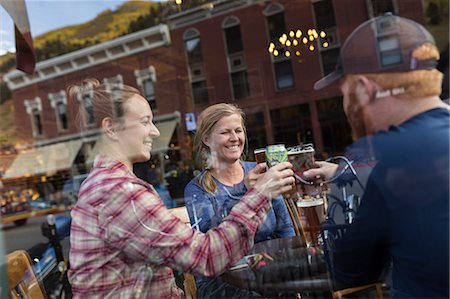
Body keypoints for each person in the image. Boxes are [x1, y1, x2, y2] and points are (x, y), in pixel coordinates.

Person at [67, 79, 295, 298]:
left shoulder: (104, 184)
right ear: (111, 128)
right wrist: (260, 194)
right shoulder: (121, 193)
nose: (155, 132)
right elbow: (207, 256)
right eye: (145, 122)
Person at [305, 14, 449, 298]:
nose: (346, 107)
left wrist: (343, 195)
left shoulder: (388, 156)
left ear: (366, 90)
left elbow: (348, 272)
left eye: (345, 95)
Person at [184, 103, 295, 298]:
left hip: (270, 274)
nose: (234, 138)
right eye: (225, 132)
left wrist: (294, 270)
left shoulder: (261, 171)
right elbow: (212, 247)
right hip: (224, 281)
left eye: (238, 130)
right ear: (207, 139)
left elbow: (285, 230)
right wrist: (250, 194)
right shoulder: (197, 189)